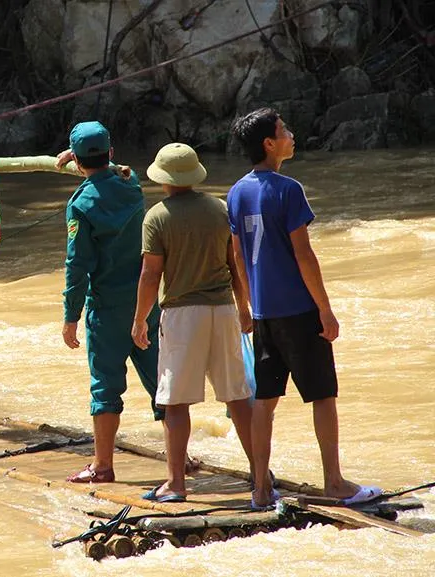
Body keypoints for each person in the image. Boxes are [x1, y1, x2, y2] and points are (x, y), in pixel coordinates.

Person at [228, 108, 380, 508]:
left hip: (264, 314)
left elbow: (239, 257)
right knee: (323, 395)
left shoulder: (236, 192)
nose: (291, 135)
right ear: (269, 143)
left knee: (265, 401)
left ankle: (260, 488)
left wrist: (248, 304)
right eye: (284, 131)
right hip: (298, 310)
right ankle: (335, 482)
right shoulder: (288, 189)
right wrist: (325, 310)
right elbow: (304, 255)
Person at [132, 143, 255, 502]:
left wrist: (140, 319)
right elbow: (235, 263)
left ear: (163, 179)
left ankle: (175, 484)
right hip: (223, 310)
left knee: (175, 403)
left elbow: (150, 275)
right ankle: (261, 473)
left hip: (183, 315)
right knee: (237, 397)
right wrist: (244, 308)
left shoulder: (157, 217)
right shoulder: (220, 209)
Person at [56, 121, 165, 483]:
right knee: (162, 382)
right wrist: (87, 161)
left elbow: (77, 265)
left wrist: (71, 316)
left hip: (106, 309)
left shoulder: (81, 204)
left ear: (77, 162)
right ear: (112, 153)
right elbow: (118, 172)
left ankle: (103, 466)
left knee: (105, 386)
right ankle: (181, 459)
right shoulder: (132, 186)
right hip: (146, 305)